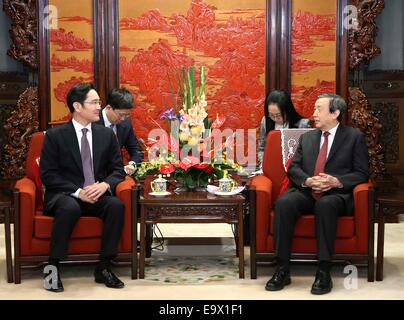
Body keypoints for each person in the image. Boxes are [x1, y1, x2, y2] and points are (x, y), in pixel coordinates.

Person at [265, 93, 369, 295]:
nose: (314, 114)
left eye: (319, 109)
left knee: (326, 205)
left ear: (335, 113)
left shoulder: (354, 137)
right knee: (284, 203)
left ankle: (323, 270)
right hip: (306, 190)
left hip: (336, 194)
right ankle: (282, 268)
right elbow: (293, 168)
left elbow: (362, 173)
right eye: (314, 109)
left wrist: (336, 181)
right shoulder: (307, 137)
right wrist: (308, 180)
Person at [40, 83, 126, 292]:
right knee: (71, 207)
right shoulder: (55, 136)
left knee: (115, 205)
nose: (99, 107)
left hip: (95, 194)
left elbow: (118, 170)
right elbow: (48, 175)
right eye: (94, 102)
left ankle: (104, 267)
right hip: (64, 195)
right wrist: (78, 192)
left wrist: (105, 185)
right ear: (77, 107)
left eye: (99, 102)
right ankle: (53, 266)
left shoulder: (106, 135)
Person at [257, 90, 310, 168]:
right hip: (272, 166)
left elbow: (307, 153)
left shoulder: (303, 124)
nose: (275, 118)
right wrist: (264, 164)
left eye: (278, 115)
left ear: (288, 110)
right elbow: (261, 148)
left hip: (294, 168)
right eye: (271, 115)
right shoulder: (265, 121)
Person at [98, 87, 143, 175]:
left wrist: (132, 164)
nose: (123, 119)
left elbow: (136, 149)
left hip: (117, 174)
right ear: (109, 108)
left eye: (126, 115)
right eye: (121, 115)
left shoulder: (126, 123)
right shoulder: (93, 121)